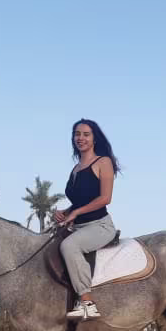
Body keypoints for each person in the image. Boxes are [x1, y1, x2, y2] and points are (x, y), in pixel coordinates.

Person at [53, 118, 121, 319]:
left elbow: (104, 198)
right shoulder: (75, 169)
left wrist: (76, 213)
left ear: (94, 138)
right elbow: (81, 200)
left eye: (86, 134)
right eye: (77, 134)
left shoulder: (103, 162)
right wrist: (65, 213)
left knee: (69, 246)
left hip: (100, 226)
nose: (80, 138)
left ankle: (87, 302)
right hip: (79, 226)